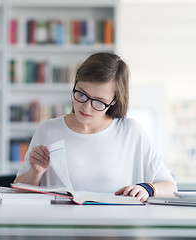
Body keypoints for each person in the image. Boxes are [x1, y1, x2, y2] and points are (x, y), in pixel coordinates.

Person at [14, 52, 177, 203]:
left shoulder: (130, 132)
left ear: (114, 100)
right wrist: (36, 171)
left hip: (115, 231)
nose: (86, 107)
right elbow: (17, 193)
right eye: (81, 94)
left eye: (98, 101)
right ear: (76, 83)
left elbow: (170, 187)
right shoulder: (48, 130)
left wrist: (146, 189)